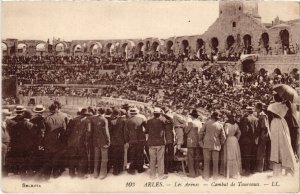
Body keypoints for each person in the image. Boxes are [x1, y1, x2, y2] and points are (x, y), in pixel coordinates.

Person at [267, 101, 297, 176]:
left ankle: (278, 171)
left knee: (277, 146)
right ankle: (288, 169)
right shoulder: (285, 106)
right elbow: (286, 114)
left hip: (276, 124)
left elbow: (270, 114)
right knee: (284, 143)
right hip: (282, 123)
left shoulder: (273, 105)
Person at [40, 103, 66, 180]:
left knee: (48, 160)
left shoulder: (46, 118)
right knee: (56, 159)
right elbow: (65, 131)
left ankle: (47, 176)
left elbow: (43, 132)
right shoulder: (64, 117)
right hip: (58, 142)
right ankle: (55, 174)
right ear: (57, 108)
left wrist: (42, 142)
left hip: (48, 142)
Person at [199, 111, 226, 180]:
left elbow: (200, 133)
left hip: (206, 144)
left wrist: (201, 142)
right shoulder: (220, 125)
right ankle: (215, 177)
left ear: (212, 117)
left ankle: (206, 177)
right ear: (217, 118)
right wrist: (220, 144)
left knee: (206, 162)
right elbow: (223, 137)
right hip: (216, 145)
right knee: (215, 162)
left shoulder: (206, 123)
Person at [66, 108, 91, 177]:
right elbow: (88, 133)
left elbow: (67, 131)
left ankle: (71, 173)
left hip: (72, 142)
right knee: (82, 158)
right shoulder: (87, 121)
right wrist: (86, 141)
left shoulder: (73, 120)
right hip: (81, 142)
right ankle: (80, 173)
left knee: (72, 157)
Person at [145, 107, 167, 180]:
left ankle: (152, 176)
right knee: (160, 160)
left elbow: (146, 131)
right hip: (160, 142)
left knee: (152, 160)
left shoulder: (149, 121)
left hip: (151, 143)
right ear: (159, 114)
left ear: (153, 114)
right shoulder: (162, 122)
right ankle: (160, 175)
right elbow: (163, 131)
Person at [220, 111, 242, 178]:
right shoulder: (236, 124)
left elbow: (226, 133)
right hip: (234, 140)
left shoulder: (226, 124)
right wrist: (236, 139)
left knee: (228, 155)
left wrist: (223, 140)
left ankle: (228, 172)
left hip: (228, 139)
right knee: (234, 155)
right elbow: (239, 133)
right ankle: (234, 171)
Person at [125, 107, 146, 174]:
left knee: (132, 153)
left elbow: (126, 132)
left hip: (131, 139)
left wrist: (127, 140)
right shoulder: (142, 118)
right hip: (141, 138)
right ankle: (140, 168)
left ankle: (132, 168)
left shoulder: (127, 120)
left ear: (131, 113)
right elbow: (147, 128)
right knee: (140, 153)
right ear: (137, 112)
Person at [91, 107, 110, 179]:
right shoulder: (104, 120)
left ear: (98, 112)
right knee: (104, 159)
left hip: (95, 140)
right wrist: (108, 141)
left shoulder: (94, 119)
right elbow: (106, 132)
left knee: (96, 157)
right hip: (103, 141)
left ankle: (95, 173)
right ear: (104, 113)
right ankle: (102, 173)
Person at [239, 106, 258, 176]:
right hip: (254, 140)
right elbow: (257, 130)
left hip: (247, 139)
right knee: (253, 155)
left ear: (247, 112)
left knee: (247, 155)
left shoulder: (246, 119)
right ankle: (252, 169)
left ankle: (247, 170)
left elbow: (245, 130)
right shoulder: (256, 119)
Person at [29, 105, 46, 176]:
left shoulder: (32, 119)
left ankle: (33, 168)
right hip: (40, 139)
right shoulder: (43, 119)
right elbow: (42, 131)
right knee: (40, 154)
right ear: (42, 111)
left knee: (34, 153)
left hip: (33, 139)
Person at [184, 109, 202, 178]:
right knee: (196, 157)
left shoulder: (190, 122)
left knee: (190, 157)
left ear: (192, 116)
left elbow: (186, 131)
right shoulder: (200, 122)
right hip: (197, 141)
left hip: (191, 141)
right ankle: (197, 173)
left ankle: (192, 174)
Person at [109, 109, 127, 175]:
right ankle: (120, 169)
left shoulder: (111, 120)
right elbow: (125, 132)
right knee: (120, 155)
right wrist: (126, 140)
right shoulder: (123, 120)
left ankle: (115, 170)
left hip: (113, 141)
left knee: (115, 156)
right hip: (121, 141)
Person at [255, 102, 271, 172]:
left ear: (258, 108)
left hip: (263, 135)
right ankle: (263, 167)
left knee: (261, 152)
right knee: (262, 151)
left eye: (255, 107)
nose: (254, 109)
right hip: (264, 134)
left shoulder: (262, 115)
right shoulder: (262, 114)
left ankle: (260, 168)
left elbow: (264, 126)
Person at [161, 106, 174, 174]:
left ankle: (166, 169)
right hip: (169, 138)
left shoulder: (162, 118)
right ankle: (169, 168)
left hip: (165, 139)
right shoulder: (168, 118)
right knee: (169, 154)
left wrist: (164, 115)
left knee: (166, 154)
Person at [2, 109, 12, 176]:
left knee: (5, 157)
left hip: (6, 142)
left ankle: (4, 172)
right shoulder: (2, 122)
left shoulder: (5, 122)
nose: (7, 117)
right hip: (3, 143)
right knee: (3, 158)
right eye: (6, 115)